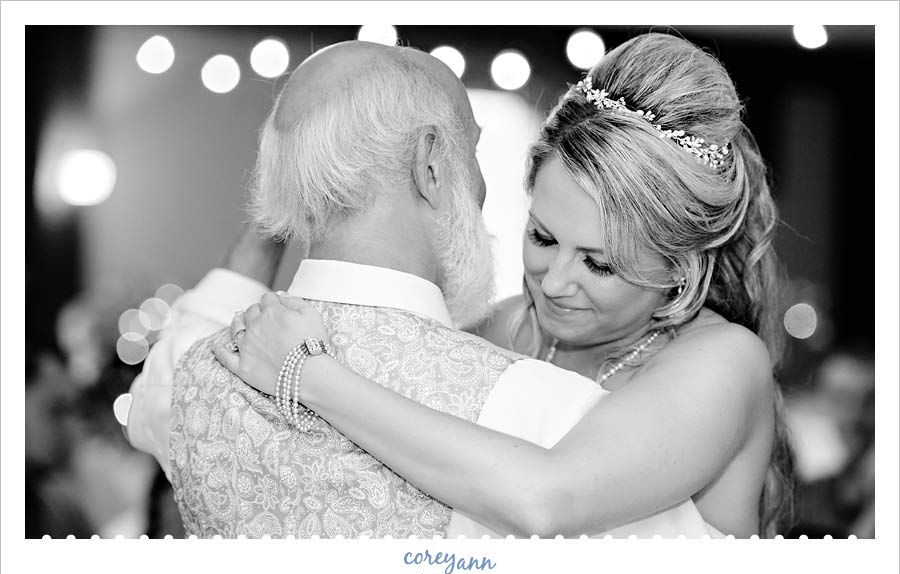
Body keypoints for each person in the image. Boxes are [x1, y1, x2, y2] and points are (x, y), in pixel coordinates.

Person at [215, 33, 795, 538]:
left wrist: (308, 374)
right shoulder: (500, 329)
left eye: (599, 265)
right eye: (543, 237)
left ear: (681, 268)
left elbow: (546, 501)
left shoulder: (724, 363)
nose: (554, 282)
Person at [120, 39, 631, 538]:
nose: (478, 182)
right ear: (430, 164)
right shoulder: (548, 413)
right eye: (471, 152)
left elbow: (178, 351)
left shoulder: (186, 380)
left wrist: (288, 187)